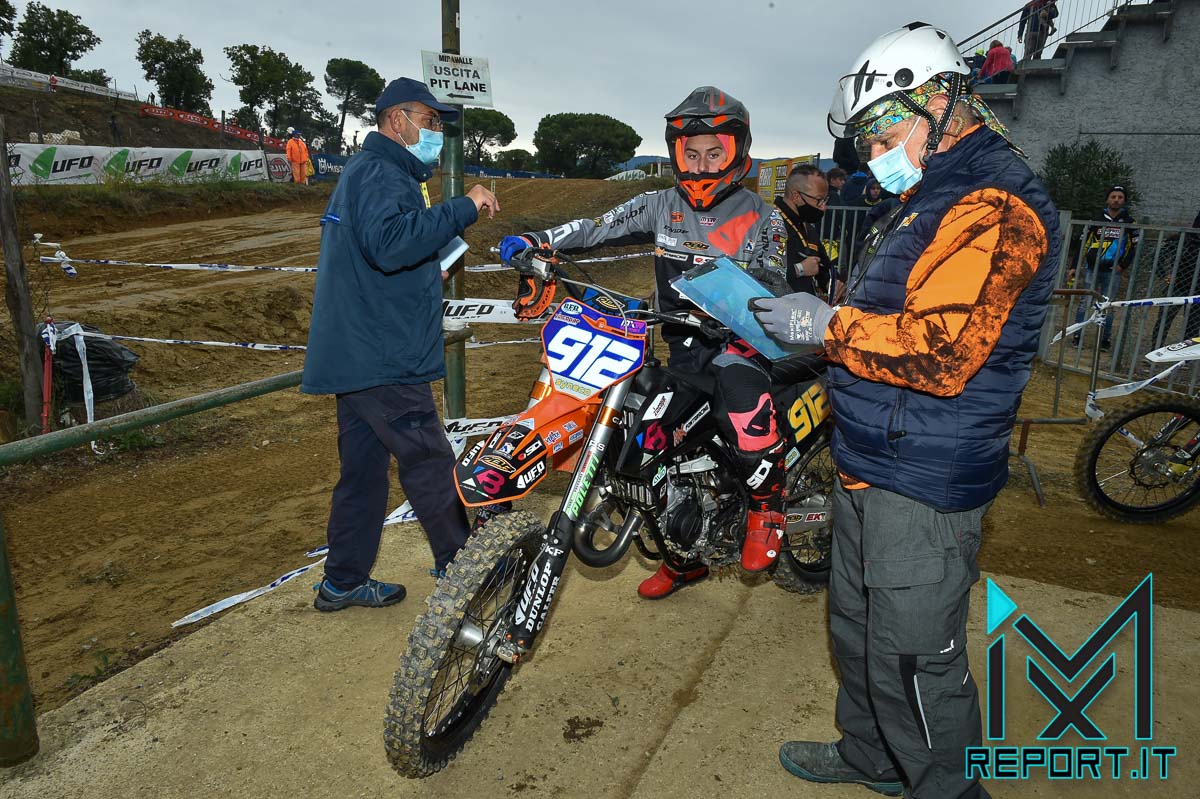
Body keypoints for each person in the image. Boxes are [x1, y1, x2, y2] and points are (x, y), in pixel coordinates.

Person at [751, 22, 1060, 798]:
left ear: (940, 101)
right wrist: (823, 323)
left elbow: (940, 352)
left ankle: (946, 785)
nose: (874, 153)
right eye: (865, 140)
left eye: (884, 133)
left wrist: (827, 327)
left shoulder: (993, 203)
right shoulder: (926, 195)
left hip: (924, 474)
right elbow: (888, 309)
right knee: (859, 629)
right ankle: (873, 756)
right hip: (873, 456)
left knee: (916, 659)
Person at [499, 86, 792, 598]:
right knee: (645, 447)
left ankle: (768, 506)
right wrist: (539, 240)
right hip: (680, 348)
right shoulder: (661, 205)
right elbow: (597, 227)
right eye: (691, 154)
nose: (701, 165)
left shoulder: (765, 217)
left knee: (741, 396)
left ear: (737, 152)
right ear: (676, 153)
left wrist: (752, 291)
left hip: (739, 346)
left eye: (714, 153)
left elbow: (777, 280)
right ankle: (682, 558)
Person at [302, 77, 501, 611]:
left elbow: (380, 255)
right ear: (398, 120)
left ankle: (342, 580)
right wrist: (462, 207)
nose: (436, 131)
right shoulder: (381, 173)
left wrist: (428, 268)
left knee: (363, 475)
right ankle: (466, 575)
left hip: (361, 351)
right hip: (382, 355)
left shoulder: (373, 172)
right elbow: (390, 245)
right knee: (430, 460)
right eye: (430, 121)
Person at [1071, 186, 1139, 350]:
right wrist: (1074, 266)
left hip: (1113, 272)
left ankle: (1105, 339)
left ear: (1124, 201)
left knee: (1108, 306)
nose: (1116, 200)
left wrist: (1122, 266)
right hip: (1091, 269)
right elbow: (1083, 243)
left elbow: (1133, 247)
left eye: (1120, 197)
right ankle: (1077, 336)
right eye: (1113, 197)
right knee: (1084, 303)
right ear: (1107, 199)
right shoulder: (1095, 219)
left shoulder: (1130, 222)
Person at [776, 164, 838, 299]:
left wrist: (831, 283)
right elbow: (757, 274)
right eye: (819, 200)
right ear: (796, 197)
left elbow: (823, 266)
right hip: (776, 306)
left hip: (804, 305)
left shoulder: (807, 227)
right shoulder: (767, 224)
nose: (823, 207)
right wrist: (799, 269)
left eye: (825, 200)